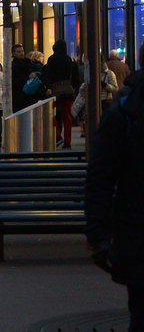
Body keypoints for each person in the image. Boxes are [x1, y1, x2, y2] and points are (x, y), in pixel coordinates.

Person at [85, 68, 143, 330]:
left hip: (136, 232)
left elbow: (100, 177)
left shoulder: (124, 111)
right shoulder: (125, 112)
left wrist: (99, 237)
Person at [44, 40, 81, 148]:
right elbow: (75, 78)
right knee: (67, 116)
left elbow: (48, 74)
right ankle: (67, 142)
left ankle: (57, 133)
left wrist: (49, 87)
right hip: (67, 90)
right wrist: (73, 87)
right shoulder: (69, 60)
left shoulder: (51, 59)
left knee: (50, 114)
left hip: (55, 90)